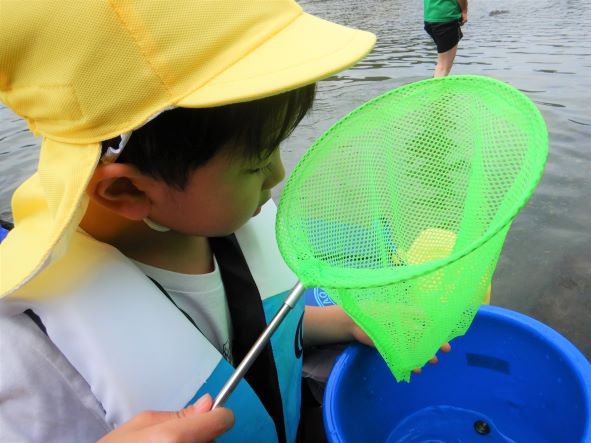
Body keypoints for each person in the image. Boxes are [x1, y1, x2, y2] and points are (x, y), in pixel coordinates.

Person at [0, 1, 449, 442]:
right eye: (256, 164)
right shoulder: (32, 350)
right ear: (127, 190)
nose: (278, 174)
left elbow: (251, 326)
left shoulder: (211, 220)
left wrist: (343, 321)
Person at [424, 0, 468, 77]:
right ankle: (437, 85)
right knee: (443, 68)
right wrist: (464, 11)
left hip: (430, 18)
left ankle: (435, 82)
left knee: (441, 63)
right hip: (446, 20)